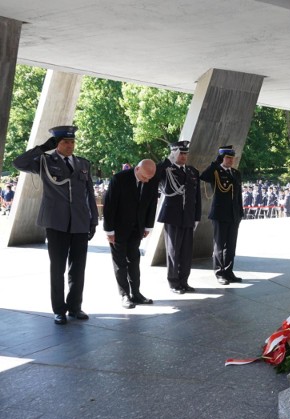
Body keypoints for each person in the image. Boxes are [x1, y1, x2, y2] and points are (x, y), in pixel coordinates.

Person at [13, 126, 99, 325]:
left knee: (78, 268)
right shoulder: (44, 161)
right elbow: (18, 163)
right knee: (57, 267)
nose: (70, 146)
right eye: (65, 142)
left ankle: (75, 307)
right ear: (57, 144)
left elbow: (89, 194)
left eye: (72, 142)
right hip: (56, 222)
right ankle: (59, 309)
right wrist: (43, 148)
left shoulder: (83, 163)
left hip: (79, 222)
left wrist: (93, 220)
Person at [102, 159, 159, 309]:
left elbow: (152, 205)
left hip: (137, 228)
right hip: (118, 229)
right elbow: (109, 205)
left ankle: (136, 293)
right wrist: (109, 230)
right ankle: (124, 295)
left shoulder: (151, 180)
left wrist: (148, 226)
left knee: (134, 261)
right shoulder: (119, 179)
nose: (147, 181)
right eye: (144, 177)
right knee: (120, 263)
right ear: (138, 169)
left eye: (149, 178)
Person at [156, 141, 202, 294]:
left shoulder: (192, 172)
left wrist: (197, 216)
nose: (183, 156)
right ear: (174, 153)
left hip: (188, 216)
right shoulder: (167, 169)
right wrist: (169, 159)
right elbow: (155, 174)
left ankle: (184, 281)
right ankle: (174, 282)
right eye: (180, 153)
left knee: (186, 252)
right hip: (173, 216)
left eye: (185, 153)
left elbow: (197, 197)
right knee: (173, 251)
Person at [199, 145, 244, 285]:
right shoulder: (216, 172)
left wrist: (240, 212)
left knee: (231, 246)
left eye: (232, 158)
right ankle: (220, 273)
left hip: (233, 214)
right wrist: (215, 163)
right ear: (222, 158)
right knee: (219, 245)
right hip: (220, 214)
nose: (230, 160)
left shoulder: (236, 173)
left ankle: (229, 271)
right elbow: (203, 176)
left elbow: (238, 195)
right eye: (227, 158)